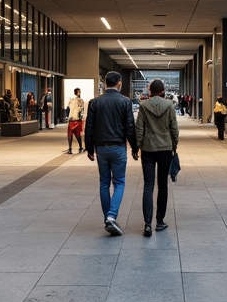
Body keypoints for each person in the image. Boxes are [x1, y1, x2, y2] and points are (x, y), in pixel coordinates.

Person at [84, 71, 136, 236]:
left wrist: (89, 148)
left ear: (105, 83)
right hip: (118, 147)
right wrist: (135, 147)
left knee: (104, 183)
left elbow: (89, 126)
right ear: (119, 83)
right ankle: (111, 216)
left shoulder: (95, 102)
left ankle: (108, 218)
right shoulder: (125, 102)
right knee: (119, 182)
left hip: (101, 149)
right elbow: (129, 126)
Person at [135, 78, 179, 236]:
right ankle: (160, 221)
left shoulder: (143, 105)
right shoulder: (169, 105)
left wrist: (137, 146)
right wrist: (174, 145)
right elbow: (174, 127)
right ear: (162, 91)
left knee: (148, 185)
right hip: (165, 149)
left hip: (148, 148)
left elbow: (139, 127)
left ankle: (147, 224)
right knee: (163, 185)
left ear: (150, 91)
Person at [67, 88, 86, 153]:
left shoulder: (71, 100)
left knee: (70, 134)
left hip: (71, 118)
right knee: (78, 134)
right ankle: (80, 147)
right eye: (79, 92)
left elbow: (68, 108)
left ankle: (70, 148)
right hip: (77, 119)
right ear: (78, 92)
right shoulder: (80, 100)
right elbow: (81, 110)